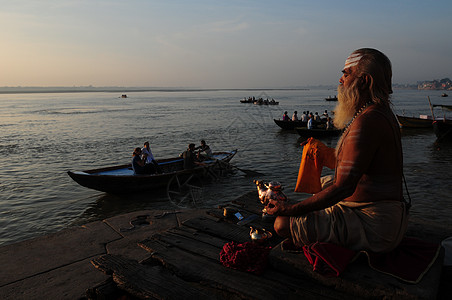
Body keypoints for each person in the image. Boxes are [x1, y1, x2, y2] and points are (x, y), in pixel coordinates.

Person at [265, 48, 408, 253]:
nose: (341, 80)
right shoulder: (378, 112)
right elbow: (363, 165)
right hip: (386, 215)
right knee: (323, 183)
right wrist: (324, 152)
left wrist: (289, 209)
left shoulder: (368, 120)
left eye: (346, 74)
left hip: (373, 225)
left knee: (281, 224)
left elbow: (343, 188)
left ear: (364, 81)